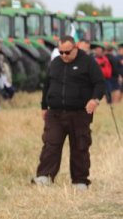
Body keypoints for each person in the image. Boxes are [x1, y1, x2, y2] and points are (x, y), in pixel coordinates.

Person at [32, 36, 105, 189]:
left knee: (80, 146)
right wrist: (44, 106)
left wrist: (95, 100)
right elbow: (47, 85)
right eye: (61, 52)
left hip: (80, 113)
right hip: (56, 113)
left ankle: (80, 181)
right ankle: (44, 176)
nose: (64, 55)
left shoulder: (88, 62)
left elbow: (99, 83)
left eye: (67, 52)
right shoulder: (55, 63)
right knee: (51, 144)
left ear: (76, 48)